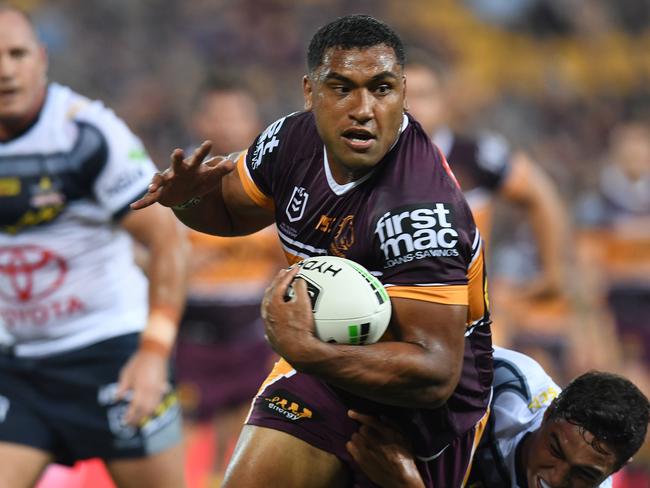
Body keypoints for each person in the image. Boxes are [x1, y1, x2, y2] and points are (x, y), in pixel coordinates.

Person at [133, 14, 493, 488]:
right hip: (323, 365)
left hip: (422, 412)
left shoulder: (421, 211)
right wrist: (188, 201)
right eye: (341, 88)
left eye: (381, 89)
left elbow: (434, 373)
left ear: (403, 92)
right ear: (309, 91)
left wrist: (305, 349)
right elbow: (229, 214)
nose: (363, 108)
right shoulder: (290, 141)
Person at [0, 5, 188, 488]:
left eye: (17, 54)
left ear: (41, 58)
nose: (5, 70)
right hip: (16, 366)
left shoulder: (87, 133)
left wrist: (153, 353)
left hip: (112, 356)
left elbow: (167, 240)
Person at [175, 75, 282, 486]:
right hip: (193, 335)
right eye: (216, 114)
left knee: (237, 446)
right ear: (198, 119)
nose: (225, 124)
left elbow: (289, 261)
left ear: (253, 120)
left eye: (235, 114)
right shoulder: (174, 188)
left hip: (251, 333)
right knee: (184, 447)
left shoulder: (274, 187)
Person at [347, 346, 650, 488]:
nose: (556, 479)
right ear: (547, 415)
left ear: (617, 469)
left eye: (585, 475)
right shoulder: (503, 379)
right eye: (555, 450)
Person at [404, 50, 568, 301]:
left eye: (423, 96)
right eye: (402, 95)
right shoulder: (367, 157)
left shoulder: (476, 155)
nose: (411, 106)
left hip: (466, 305)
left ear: (445, 102)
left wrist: (551, 273)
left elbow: (541, 194)